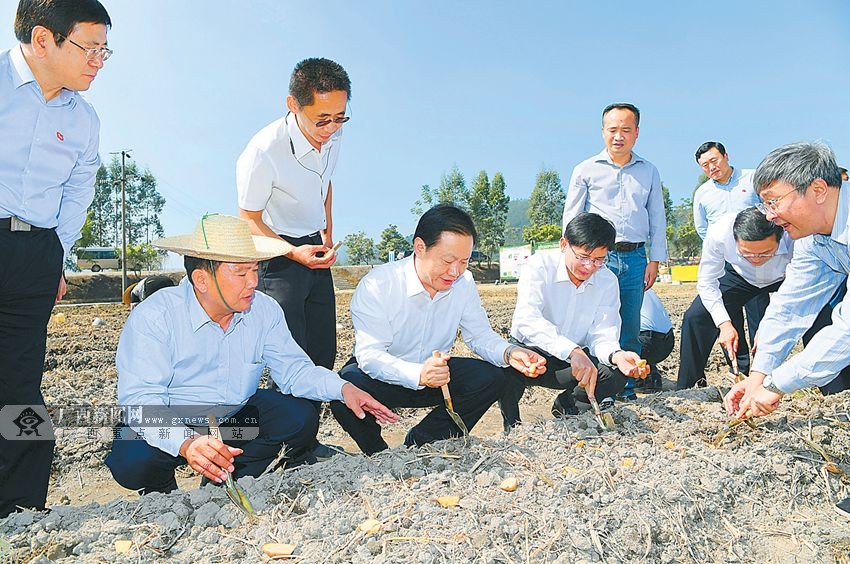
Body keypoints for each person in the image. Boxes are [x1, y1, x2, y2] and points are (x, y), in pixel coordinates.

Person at [104, 215, 397, 494]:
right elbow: (142, 401)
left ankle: (229, 475)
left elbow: (294, 370)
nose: (253, 282)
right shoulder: (155, 317)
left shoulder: (264, 310)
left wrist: (344, 388)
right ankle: (162, 492)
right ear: (201, 280)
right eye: (241, 272)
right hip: (171, 421)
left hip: (232, 426)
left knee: (298, 418)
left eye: (255, 269)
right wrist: (188, 443)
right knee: (133, 457)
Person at [0, 0, 112, 519]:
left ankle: (19, 508)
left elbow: (78, 191)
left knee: (20, 386)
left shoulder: (85, 120)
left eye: (104, 51)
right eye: (90, 48)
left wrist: (56, 257)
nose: (99, 60)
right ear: (42, 40)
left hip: (35, 255)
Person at [330, 205, 546, 454]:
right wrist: (419, 374)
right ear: (420, 247)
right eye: (448, 261)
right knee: (344, 387)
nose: (455, 272)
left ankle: (424, 441)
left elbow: (479, 335)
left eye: (464, 262)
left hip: (438, 377)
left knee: (492, 378)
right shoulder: (378, 285)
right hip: (384, 376)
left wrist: (510, 352)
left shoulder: (463, 283)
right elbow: (370, 356)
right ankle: (378, 453)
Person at [723, 142, 850, 519]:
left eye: (774, 201)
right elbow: (790, 306)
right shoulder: (813, 238)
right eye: (764, 204)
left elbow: (845, 332)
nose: (770, 216)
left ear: (817, 190)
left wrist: (777, 384)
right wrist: (757, 377)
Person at [236, 57, 350, 460]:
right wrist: (292, 251)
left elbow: (327, 183)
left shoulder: (331, 138)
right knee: (291, 355)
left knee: (321, 351)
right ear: (293, 104)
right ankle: (279, 448)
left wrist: (326, 235)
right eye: (322, 120)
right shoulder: (263, 151)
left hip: (312, 248)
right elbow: (248, 218)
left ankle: (306, 443)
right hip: (275, 253)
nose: (331, 129)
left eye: (340, 118)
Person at [500, 213, 649, 429]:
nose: (589, 267)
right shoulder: (539, 266)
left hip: (573, 362)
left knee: (614, 372)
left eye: (599, 259)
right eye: (583, 257)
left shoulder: (606, 280)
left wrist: (617, 355)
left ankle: (569, 406)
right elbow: (527, 319)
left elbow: (603, 332)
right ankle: (512, 425)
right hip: (532, 354)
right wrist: (572, 351)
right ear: (564, 244)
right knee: (504, 368)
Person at [562, 103, 667, 401]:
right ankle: (588, 383)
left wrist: (654, 260)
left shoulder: (648, 171)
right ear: (602, 132)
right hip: (598, 258)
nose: (618, 136)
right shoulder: (585, 170)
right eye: (612, 130)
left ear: (636, 133)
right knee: (594, 320)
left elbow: (657, 216)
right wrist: (573, 255)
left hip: (635, 258)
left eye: (625, 130)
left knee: (629, 324)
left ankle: (624, 387)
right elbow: (572, 216)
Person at [677, 207, 792, 390]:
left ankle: (832, 386)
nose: (756, 259)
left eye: (765, 253)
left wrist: (769, 324)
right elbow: (707, 282)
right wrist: (724, 324)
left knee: (823, 311)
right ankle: (689, 387)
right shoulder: (719, 233)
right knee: (696, 317)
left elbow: (797, 287)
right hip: (740, 276)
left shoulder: (793, 232)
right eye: (747, 252)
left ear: (780, 237)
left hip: (785, 276)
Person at [693, 141, 768, 348]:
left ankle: (763, 364)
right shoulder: (703, 193)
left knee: (759, 313)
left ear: (726, 156)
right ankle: (739, 367)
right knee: (728, 313)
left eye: (714, 160)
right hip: (726, 262)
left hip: (756, 258)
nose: (711, 167)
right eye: (705, 165)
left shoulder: (753, 178)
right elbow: (702, 228)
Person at [636, 288, 674, 392]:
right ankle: (651, 376)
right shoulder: (641, 283)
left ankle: (634, 380)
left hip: (646, 342)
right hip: (667, 342)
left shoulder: (615, 284)